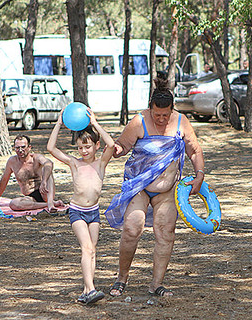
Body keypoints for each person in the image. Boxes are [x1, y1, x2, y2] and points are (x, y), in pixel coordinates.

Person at [105, 77, 205, 297]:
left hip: (167, 191)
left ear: (172, 110)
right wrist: (116, 150)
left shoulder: (181, 122)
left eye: (165, 115)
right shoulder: (139, 121)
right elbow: (123, 144)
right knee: (132, 228)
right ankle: (121, 278)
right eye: (157, 114)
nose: (161, 119)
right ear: (150, 109)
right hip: (140, 187)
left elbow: (194, 150)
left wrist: (199, 175)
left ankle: (156, 283)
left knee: (165, 233)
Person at [47, 107, 115, 305]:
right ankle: (91, 289)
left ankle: (87, 289)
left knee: (92, 250)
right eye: (80, 148)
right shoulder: (74, 164)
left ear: (95, 146)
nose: (83, 151)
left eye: (87, 147)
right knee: (86, 247)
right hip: (77, 211)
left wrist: (94, 123)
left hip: (93, 212)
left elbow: (111, 144)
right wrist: (59, 123)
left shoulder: (101, 164)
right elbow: (51, 149)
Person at [0, 135, 64, 213]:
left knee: (47, 168)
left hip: (45, 191)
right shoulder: (12, 162)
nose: (20, 150)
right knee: (14, 204)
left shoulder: (36, 158)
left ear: (29, 147)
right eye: (17, 148)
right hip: (31, 197)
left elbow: (49, 163)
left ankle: (50, 203)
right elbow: (4, 179)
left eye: (23, 147)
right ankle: (48, 204)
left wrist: (44, 181)